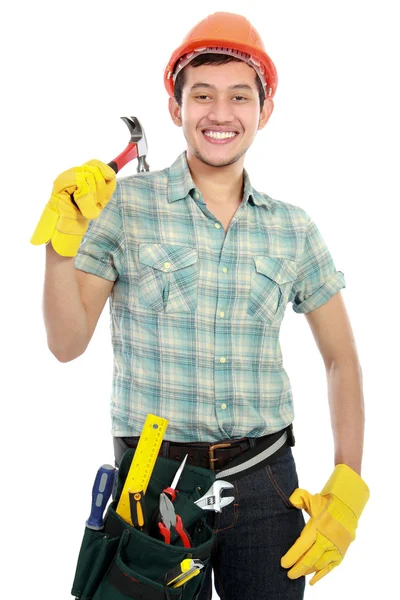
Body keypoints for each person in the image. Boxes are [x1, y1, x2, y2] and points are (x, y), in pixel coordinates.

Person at [31, 11, 370, 600]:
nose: (221, 113)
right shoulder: (122, 207)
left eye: (240, 96)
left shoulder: (294, 228)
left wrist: (348, 484)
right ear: (175, 107)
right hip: (151, 484)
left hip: (266, 485)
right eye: (202, 95)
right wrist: (62, 244)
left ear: (264, 111)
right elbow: (65, 344)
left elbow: (342, 359)